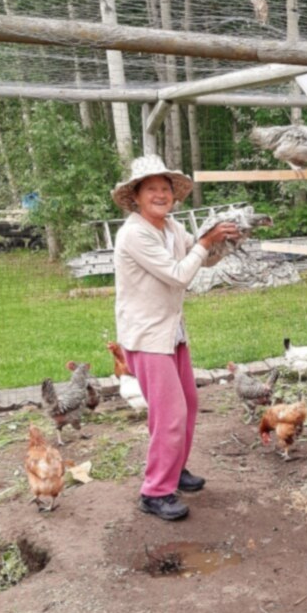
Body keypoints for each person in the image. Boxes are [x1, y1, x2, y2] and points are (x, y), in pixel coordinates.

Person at [111, 154, 240, 521]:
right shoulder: (134, 233)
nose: (160, 194)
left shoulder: (169, 228)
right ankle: (154, 492)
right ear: (135, 195)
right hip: (147, 335)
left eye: (165, 189)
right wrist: (206, 241)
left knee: (188, 404)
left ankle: (174, 470)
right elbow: (179, 274)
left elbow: (203, 258)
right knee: (169, 415)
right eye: (151, 189)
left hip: (170, 332)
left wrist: (223, 240)